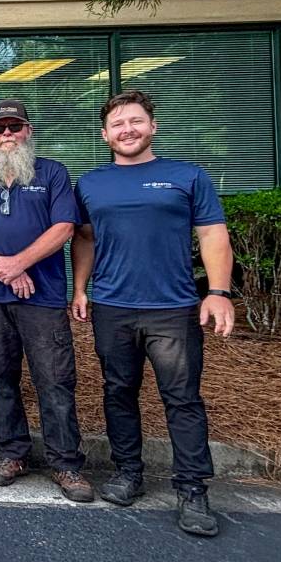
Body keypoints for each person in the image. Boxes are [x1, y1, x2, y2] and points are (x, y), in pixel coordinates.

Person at [71, 89, 234, 536]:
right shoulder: (91, 184)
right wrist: (80, 289)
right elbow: (84, 239)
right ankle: (128, 473)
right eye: (118, 124)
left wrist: (217, 291)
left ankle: (192, 489)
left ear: (152, 126)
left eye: (136, 121)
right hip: (112, 305)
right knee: (118, 391)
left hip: (173, 308)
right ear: (105, 135)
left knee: (182, 399)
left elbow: (213, 236)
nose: (128, 130)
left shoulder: (186, 176)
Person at [0, 99, 93, 502]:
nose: (7, 135)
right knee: (0, 379)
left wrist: (21, 264)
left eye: (15, 127)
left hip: (43, 298)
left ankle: (66, 463)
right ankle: (12, 453)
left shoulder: (53, 174)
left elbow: (65, 227)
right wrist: (6, 269)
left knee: (55, 381)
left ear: (27, 131)